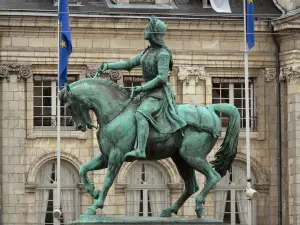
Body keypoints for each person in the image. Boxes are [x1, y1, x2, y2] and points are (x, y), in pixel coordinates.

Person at [97, 16, 186, 161]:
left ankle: (140, 150)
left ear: (154, 33)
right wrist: (108, 65)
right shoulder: (147, 52)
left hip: (158, 94)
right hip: (147, 93)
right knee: (127, 111)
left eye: (147, 28)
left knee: (141, 114)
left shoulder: (162, 54)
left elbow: (162, 78)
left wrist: (142, 87)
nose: (144, 30)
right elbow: (128, 63)